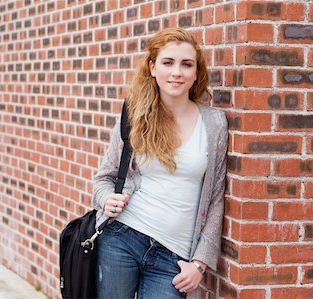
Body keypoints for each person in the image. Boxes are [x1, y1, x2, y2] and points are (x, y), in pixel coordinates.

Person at [92, 27, 228, 299]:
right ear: (153, 68)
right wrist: (106, 199)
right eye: (168, 62)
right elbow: (104, 177)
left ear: (196, 72)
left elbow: (215, 198)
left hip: (174, 256)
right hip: (122, 237)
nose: (177, 72)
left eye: (186, 64)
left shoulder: (214, 123)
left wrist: (199, 264)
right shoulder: (134, 115)